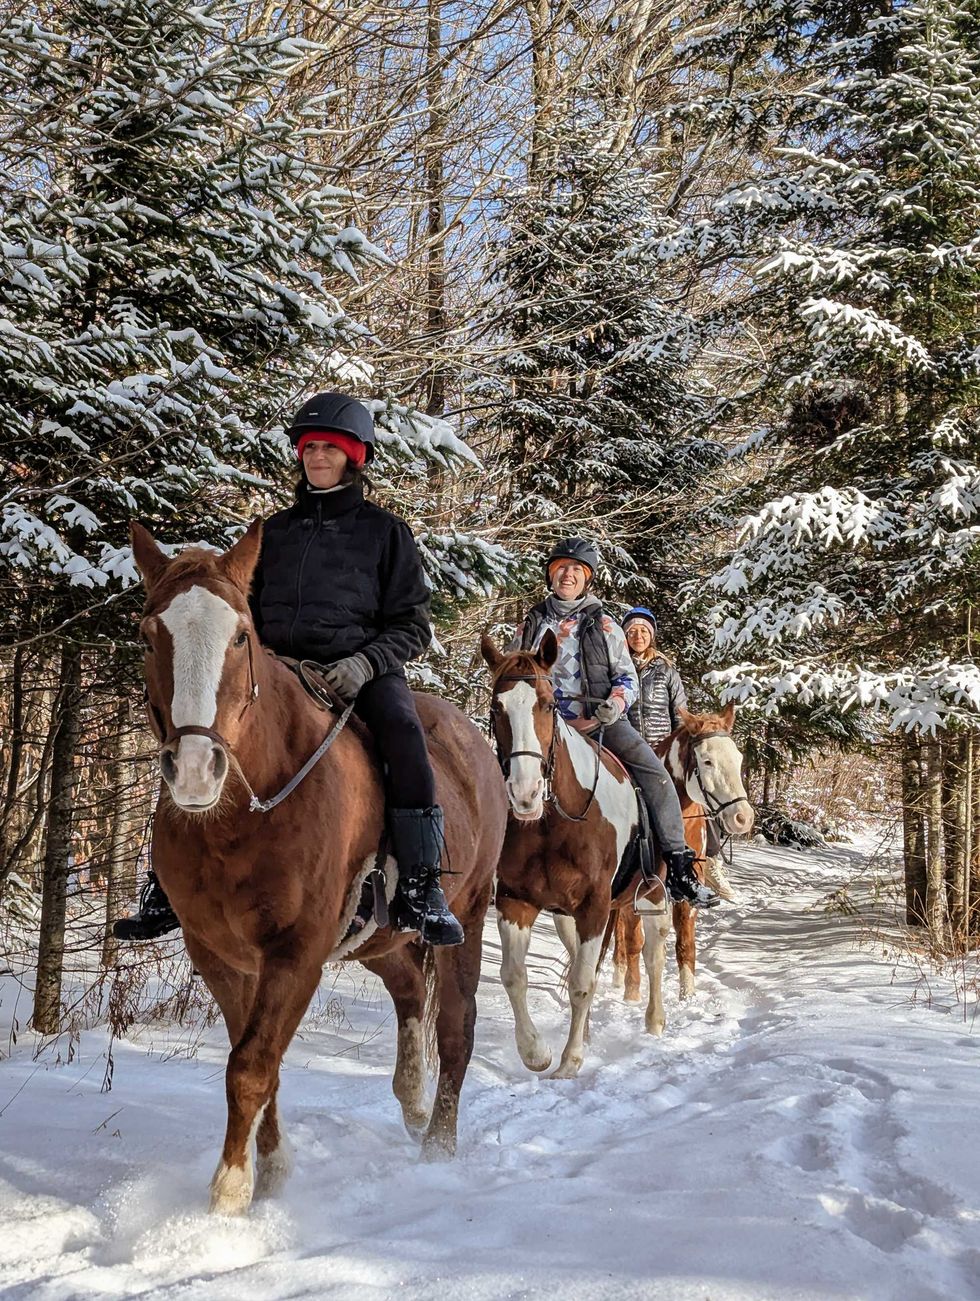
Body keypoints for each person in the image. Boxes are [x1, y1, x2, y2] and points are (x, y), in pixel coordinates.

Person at [114, 393, 464, 946]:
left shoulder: (385, 532)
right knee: (194, 732)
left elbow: (412, 625)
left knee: (403, 733)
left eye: (330, 448)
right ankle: (164, 885)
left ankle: (420, 886)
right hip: (278, 670)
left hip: (362, 671)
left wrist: (364, 663)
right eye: (310, 448)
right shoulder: (273, 532)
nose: (318, 457)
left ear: (354, 456)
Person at [510, 540, 718, 909]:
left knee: (655, 775)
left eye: (576, 570)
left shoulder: (605, 622)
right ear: (550, 573)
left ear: (586, 578)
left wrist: (614, 704)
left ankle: (679, 866)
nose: (567, 574)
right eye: (561, 567)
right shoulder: (532, 621)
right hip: (540, 727)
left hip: (596, 723)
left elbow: (628, 677)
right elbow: (513, 671)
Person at [622, 607, 688, 746]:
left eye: (644, 631)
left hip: (662, 750)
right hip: (627, 750)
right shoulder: (619, 670)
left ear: (651, 635)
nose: (638, 636)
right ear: (625, 636)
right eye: (632, 631)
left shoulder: (667, 672)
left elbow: (680, 716)